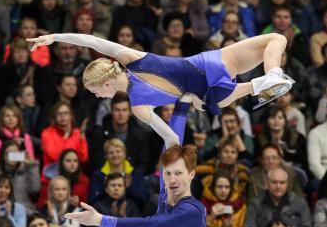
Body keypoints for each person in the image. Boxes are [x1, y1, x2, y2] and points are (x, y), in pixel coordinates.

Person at [28, 32, 294, 149]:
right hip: (213, 63)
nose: (96, 96)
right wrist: (54, 38)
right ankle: (269, 77)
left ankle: (259, 85)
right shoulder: (132, 57)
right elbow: (91, 40)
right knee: (277, 39)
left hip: (212, 93)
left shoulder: (138, 106)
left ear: (104, 83)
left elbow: (172, 139)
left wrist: (172, 166)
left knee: (215, 103)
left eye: (94, 91)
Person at [64, 145, 206, 227]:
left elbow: (150, 225)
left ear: (191, 174)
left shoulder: (191, 211)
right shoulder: (166, 197)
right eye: (167, 173)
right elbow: (171, 141)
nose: (172, 179)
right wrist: (179, 109)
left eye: (178, 173)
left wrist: (101, 220)